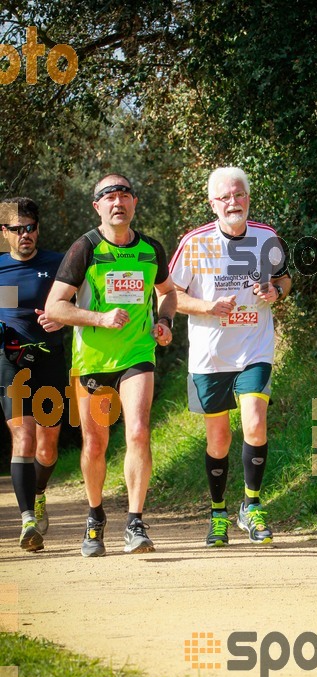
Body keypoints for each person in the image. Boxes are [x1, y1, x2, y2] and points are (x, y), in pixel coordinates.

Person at [45, 173, 177, 557]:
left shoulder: (151, 249)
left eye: (124, 195)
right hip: (93, 360)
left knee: (137, 431)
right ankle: (95, 516)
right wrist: (100, 318)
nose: (117, 201)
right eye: (108, 196)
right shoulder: (84, 248)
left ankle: (135, 523)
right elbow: (56, 306)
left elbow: (167, 293)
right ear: (97, 207)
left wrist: (164, 321)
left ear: (135, 203)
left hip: (137, 354)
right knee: (96, 444)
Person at [169, 166, 291, 547]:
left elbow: (286, 278)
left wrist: (276, 293)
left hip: (254, 348)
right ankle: (219, 512)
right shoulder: (194, 242)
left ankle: (251, 507)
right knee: (218, 440)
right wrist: (207, 307)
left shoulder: (267, 238)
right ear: (213, 203)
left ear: (248, 198)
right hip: (210, 357)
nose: (232, 202)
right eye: (224, 197)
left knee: (255, 423)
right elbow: (169, 295)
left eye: (238, 195)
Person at [0, 196, 66, 552]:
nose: (25, 234)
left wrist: (62, 315)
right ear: (4, 232)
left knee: (47, 443)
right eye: (17, 229)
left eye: (30, 228)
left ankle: (39, 493)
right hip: (10, 362)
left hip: (50, 359)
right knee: (22, 438)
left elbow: (82, 302)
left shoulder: (57, 264)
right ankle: (28, 520)